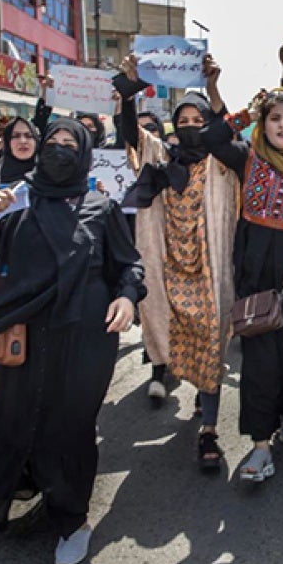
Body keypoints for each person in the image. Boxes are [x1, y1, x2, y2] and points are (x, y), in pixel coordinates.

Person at [0, 118, 146, 564]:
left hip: (85, 337)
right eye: (53, 142)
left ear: (84, 153)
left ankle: (71, 518)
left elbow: (129, 266)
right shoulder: (14, 198)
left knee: (71, 427)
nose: (60, 150)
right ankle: (11, 493)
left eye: (70, 144)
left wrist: (125, 298)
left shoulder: (99, 204)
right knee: (17, 419)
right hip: (21, 334)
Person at [200, 72, 283, 482]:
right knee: (259, 352)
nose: (281, 126)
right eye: (273, 118)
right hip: (256, 263)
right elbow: (209, 140)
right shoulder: (248, 156)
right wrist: (245, 112)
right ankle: (260, 444)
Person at [118, 53, 239, 471]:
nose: (189, 127)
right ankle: (171, 382)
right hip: (168, 271)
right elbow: (129, 134)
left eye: (197, 119)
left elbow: (231, 136)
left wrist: (213, 89)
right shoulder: (161, 158)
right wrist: (130, 87)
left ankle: (209, 429)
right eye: (182, 120)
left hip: (211, 273)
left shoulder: (224, 163)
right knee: (173, 341)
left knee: (209, 344)